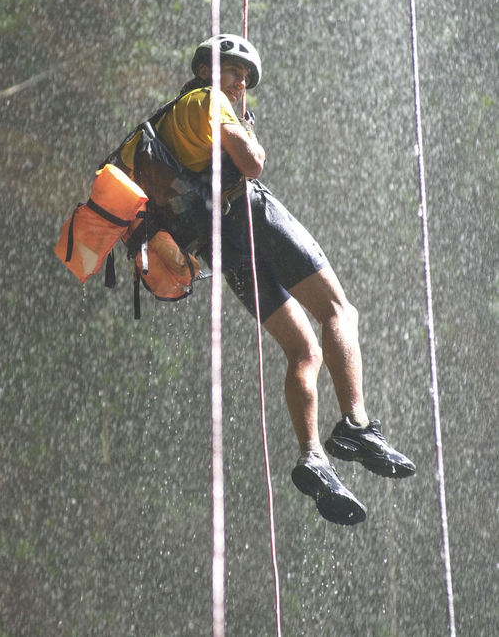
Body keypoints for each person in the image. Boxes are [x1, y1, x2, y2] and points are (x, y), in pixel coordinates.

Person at [116, 34, 415, 526]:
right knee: (338, 311)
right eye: (234, 71)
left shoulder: (164, 124)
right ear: (209, 69)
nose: (240, 83)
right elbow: (252, 164)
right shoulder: (209, 101)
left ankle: (312, 455)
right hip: (251, 213)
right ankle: (356, 425)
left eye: (245, 78)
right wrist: (249, 137)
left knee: (304, 351)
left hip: (218, 242)